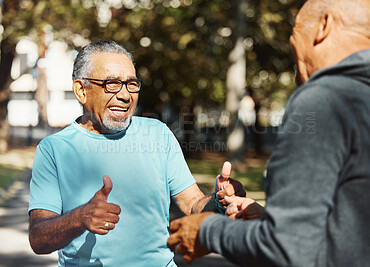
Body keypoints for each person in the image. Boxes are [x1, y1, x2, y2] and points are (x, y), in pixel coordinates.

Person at [167, 0, 370, 266]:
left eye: (295, 38)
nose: (295, 69)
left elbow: (288, 248)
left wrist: (207, 231)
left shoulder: (323, 100)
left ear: (324, 26)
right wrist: (268, 221)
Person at [28, 40, 244, 266]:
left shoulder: (158, 134)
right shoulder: (53, 149)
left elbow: (193, 204)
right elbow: (38, 239)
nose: (125, 95)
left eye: (131, 84)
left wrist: (220, 201)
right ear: (81, 91)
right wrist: (79, 218)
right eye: (111, 84)